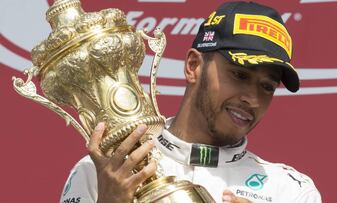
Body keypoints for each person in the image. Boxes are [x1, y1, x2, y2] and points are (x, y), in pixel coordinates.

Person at [60, 1, 321, 203]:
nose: (252, 99)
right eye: (240, 75)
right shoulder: (105, 173)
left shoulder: (290, 191)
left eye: (267, 87)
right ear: (193, 65)